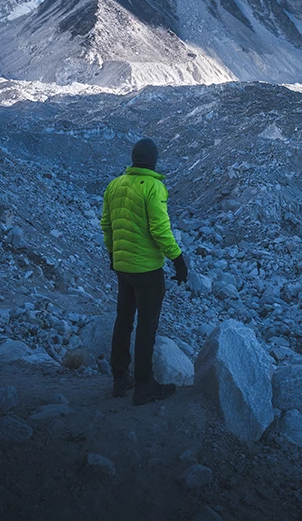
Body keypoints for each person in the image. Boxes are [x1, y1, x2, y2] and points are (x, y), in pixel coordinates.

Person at [100, 137, 190, 405]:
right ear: (153, 160)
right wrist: (178, 260)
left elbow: (106, 224)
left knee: (123, 320)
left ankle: (119, 379)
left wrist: (113, 253)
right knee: (146, 327)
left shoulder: (114, 185)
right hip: (148, 270)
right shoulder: (154, 187)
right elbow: (160, 230)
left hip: (122, 267)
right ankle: (144, 385)